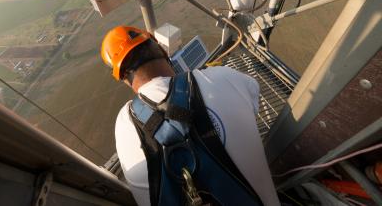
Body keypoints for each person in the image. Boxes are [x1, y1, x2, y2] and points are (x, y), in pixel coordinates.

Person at [101, 26, 280, 206]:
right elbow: (253, 101)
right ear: (162, 49)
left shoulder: (124, 124)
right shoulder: (223, 77)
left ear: (123, 76)